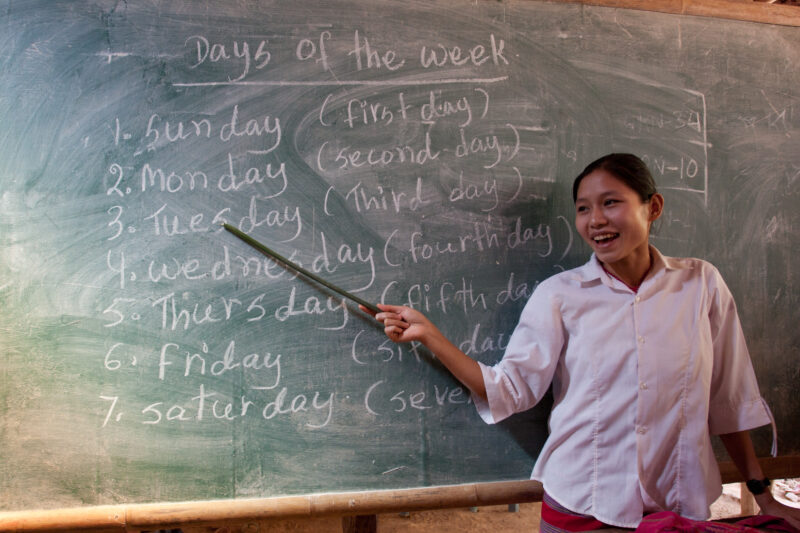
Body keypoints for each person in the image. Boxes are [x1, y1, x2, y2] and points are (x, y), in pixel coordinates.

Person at [361, 154, 800, 531]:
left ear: (654, 207)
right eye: (583, 209)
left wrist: (761, 494)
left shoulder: (701, 284)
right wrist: (432, 336)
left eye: (611, 203)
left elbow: (728, 399)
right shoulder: (560, 296)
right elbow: (510, 389)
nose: (596, 221)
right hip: (583, 509)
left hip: (678, 509)